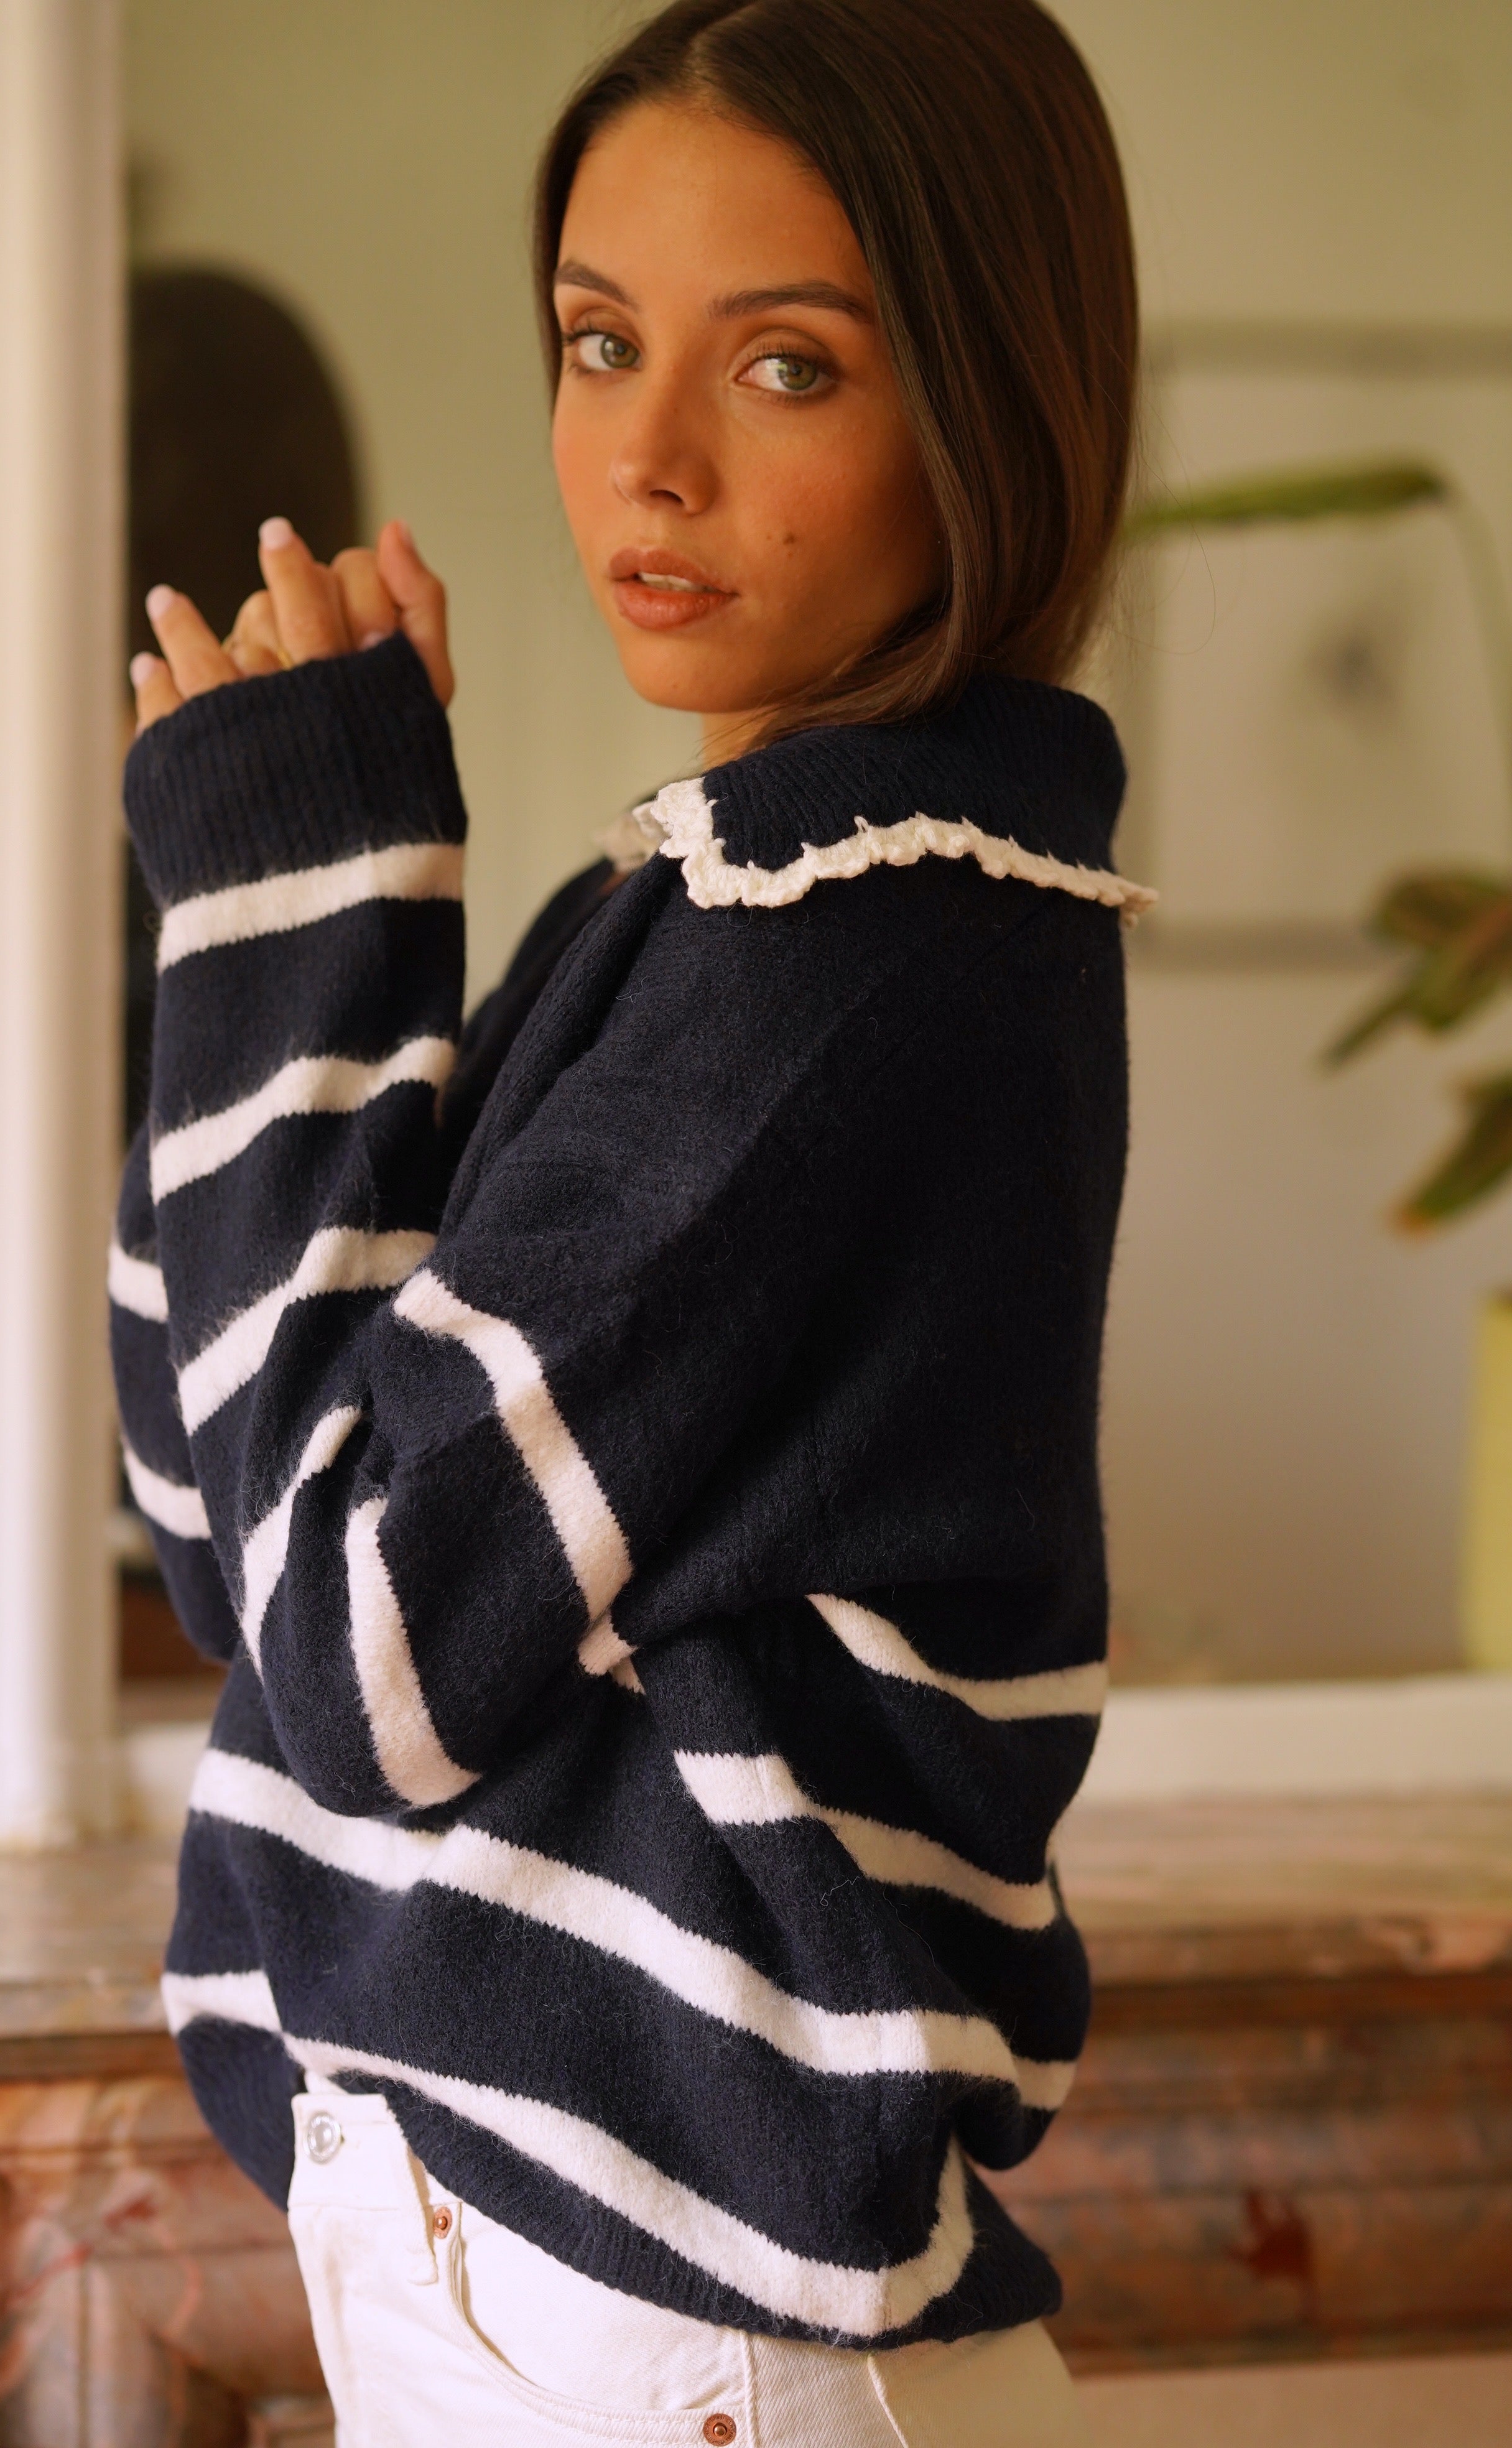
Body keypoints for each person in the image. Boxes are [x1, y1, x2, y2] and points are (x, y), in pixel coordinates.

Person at [111, 1, 1144, 2439]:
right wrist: (278, 928)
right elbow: (218, 1516)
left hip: (657, 2310)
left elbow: (353, 1651)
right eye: (597, 341)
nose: (645, 458)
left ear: (992, 407)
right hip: (584, 2265)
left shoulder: (848, 952)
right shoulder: (712, 911)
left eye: (785, 365)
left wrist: (310, 915)